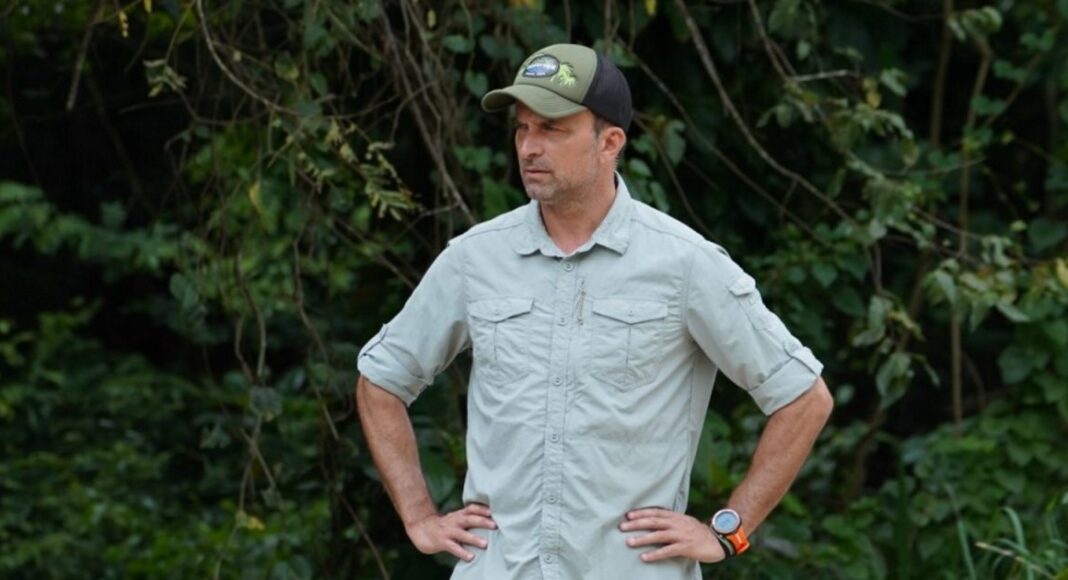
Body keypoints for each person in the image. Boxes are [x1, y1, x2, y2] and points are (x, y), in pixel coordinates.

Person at [356, 43, 834, 579]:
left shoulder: (684, 263)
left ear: (610, 143)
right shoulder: (474, 258)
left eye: (552, 129)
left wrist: (728, 531)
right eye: (522, 128)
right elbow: (381, 380)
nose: (529, 148)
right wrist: (419, 517)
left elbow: (803, 397)